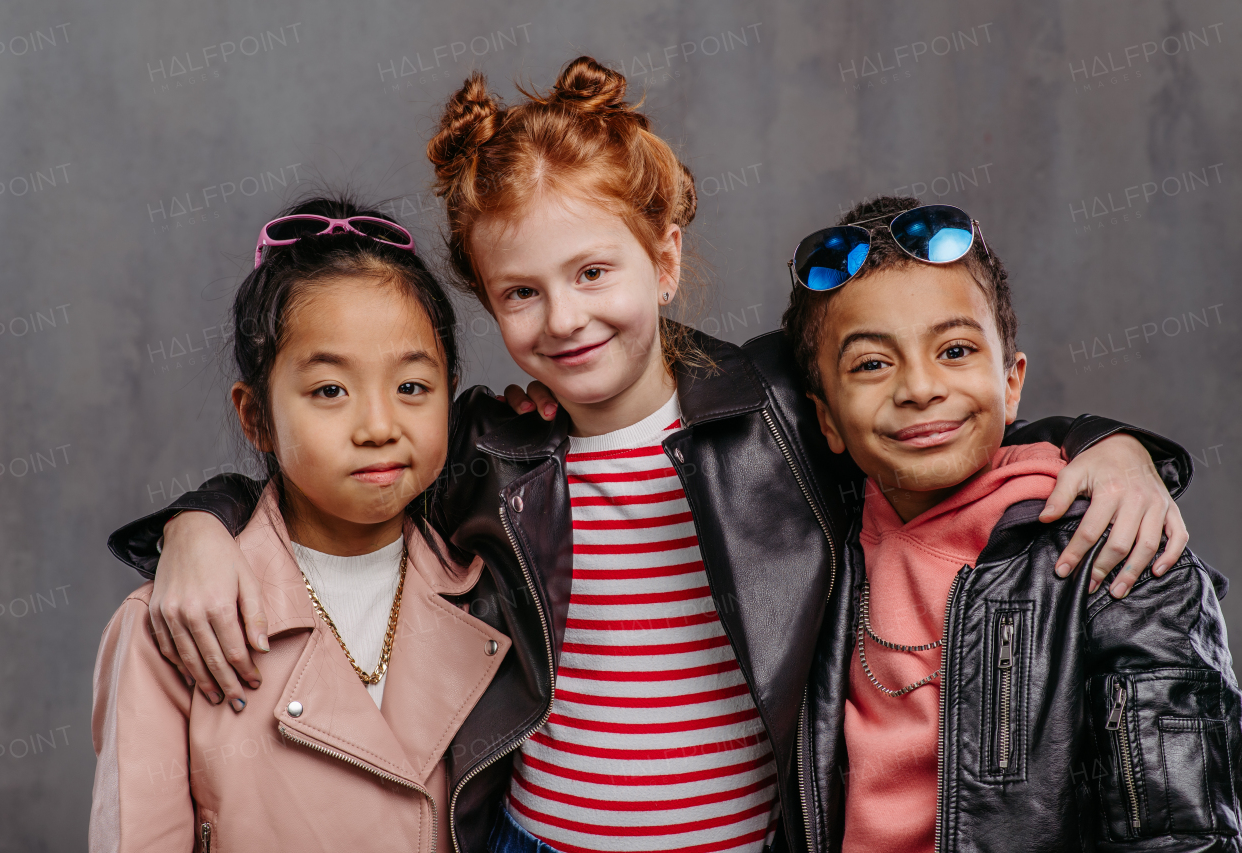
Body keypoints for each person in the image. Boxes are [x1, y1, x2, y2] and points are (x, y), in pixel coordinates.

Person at [105, 59, 1194, 853]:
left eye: (592, 274)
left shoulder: (775, 404)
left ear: (662, 257)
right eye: (520, 294)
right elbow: (333, 483)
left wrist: (1114, 448)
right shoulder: (491, 442)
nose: (564, 319)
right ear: (487, 305)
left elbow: (936, 433)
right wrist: (196, 524)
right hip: (540, 838)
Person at [783, 196, 1239, 852]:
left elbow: (1180, 830)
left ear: (1012, 380)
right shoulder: (814, 548)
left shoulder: (1115, 545)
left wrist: (1116, 448)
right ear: (826, 418)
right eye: (871, 364)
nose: (919, 386)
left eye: (956, 349)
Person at [89, 196, 510, 852]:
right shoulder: (170, 624)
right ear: (255, 415)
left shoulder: (501, 593)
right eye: (329, 391)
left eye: (412, 387)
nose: (378, 427)